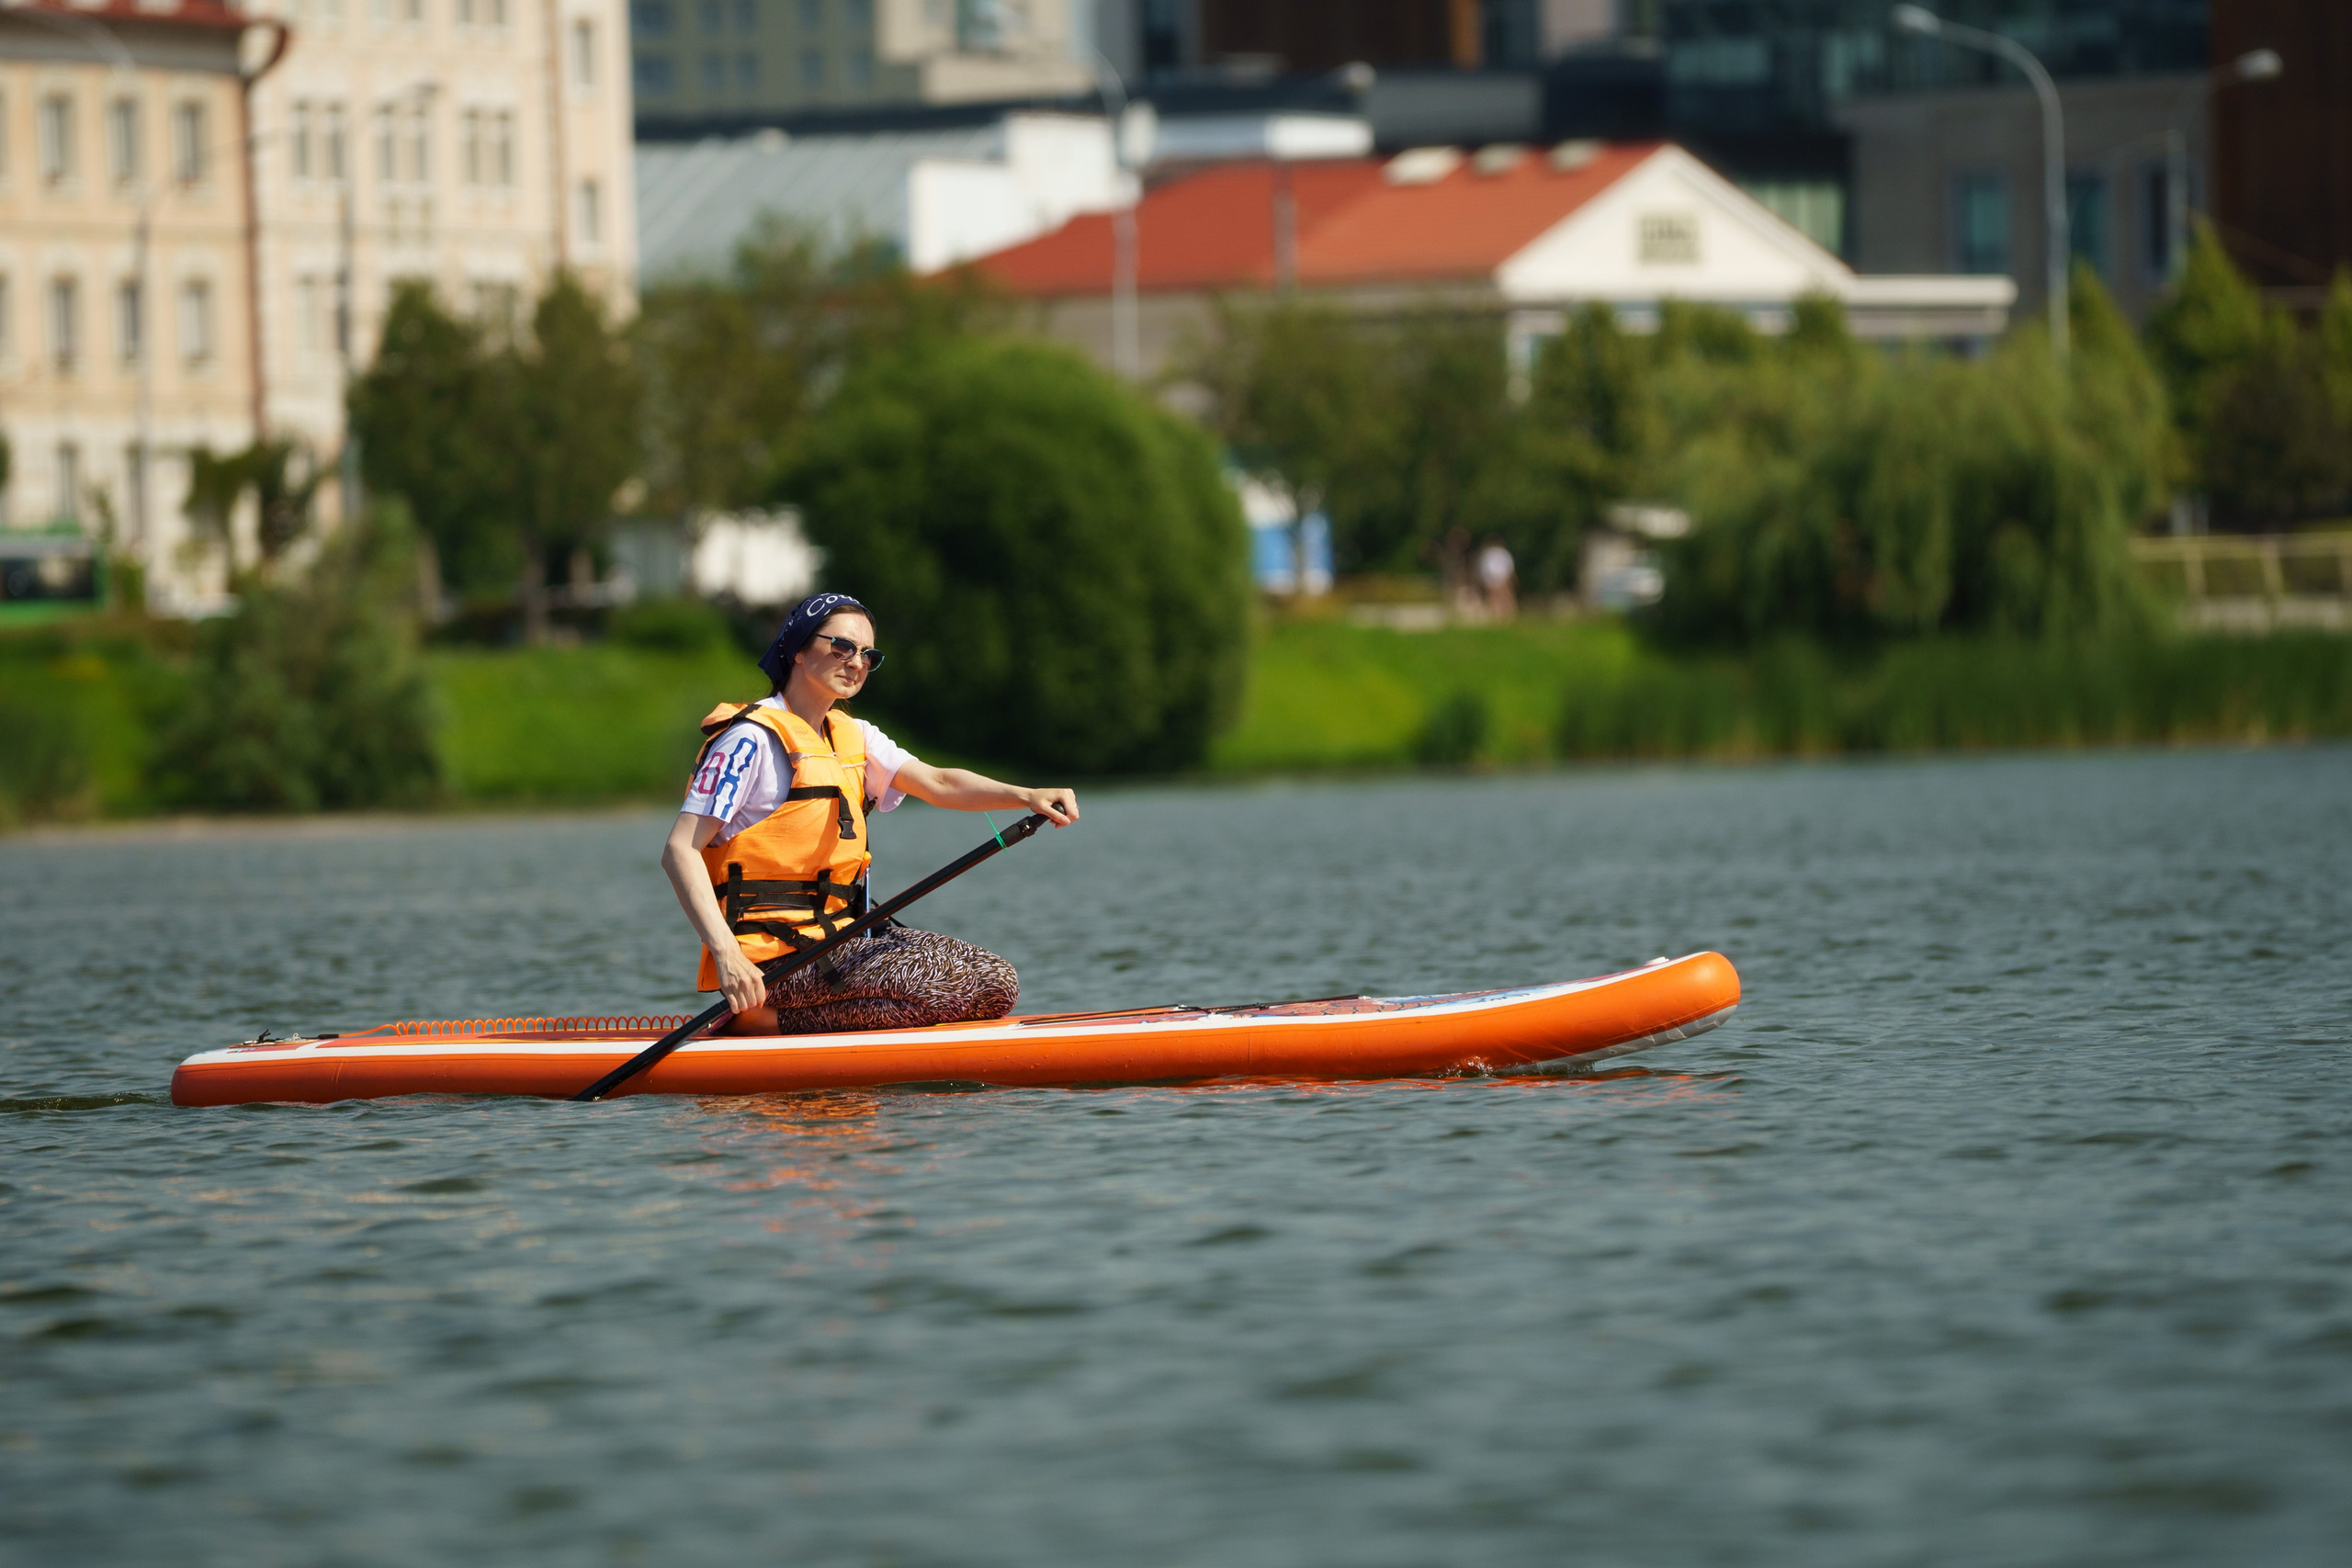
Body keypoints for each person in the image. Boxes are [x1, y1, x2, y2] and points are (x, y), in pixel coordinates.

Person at [661, 592, 1078, 1035]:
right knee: (959, 986)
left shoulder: (854, 735)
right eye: (840, 647)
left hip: (841, 940)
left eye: (868, 654)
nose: (856, 662)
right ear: (798, 650)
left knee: (996, 982)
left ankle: (802, 1025)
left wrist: (1026, 795)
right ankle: (762, 1022)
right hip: (773, 963)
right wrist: (726, 955)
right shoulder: (748, 741)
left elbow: (938, 782)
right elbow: (679, 849)